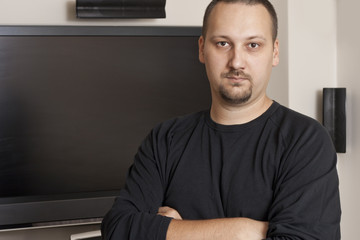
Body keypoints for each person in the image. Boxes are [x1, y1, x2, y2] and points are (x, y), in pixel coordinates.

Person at [101, 0, 341, 239]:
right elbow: (118, 229)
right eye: (223, 43)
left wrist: (176, 232)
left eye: (253, 45)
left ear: (275, 52)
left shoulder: (305, 141)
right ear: (202, 48)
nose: (236, 62)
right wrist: (246, 231)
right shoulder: (165, 139)